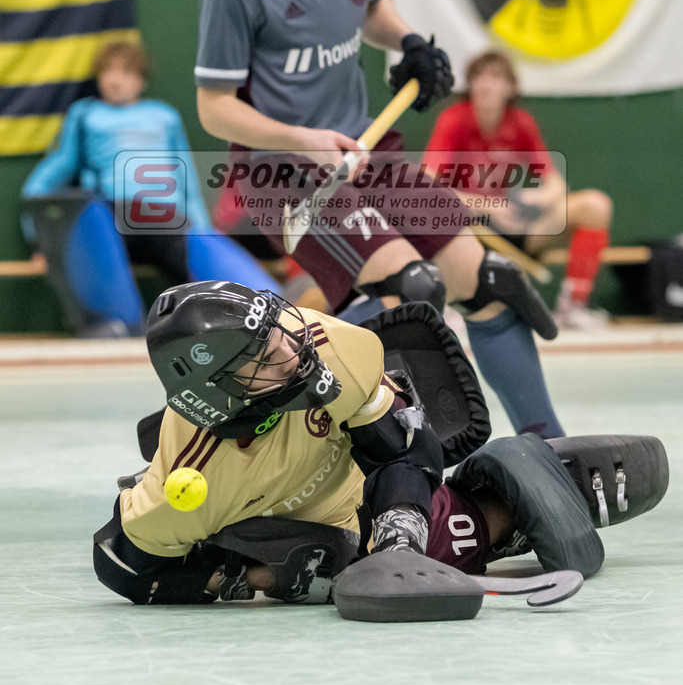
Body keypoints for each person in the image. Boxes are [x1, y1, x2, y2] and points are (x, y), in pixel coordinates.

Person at [193, 0, 565, 440]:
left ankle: (552, 448)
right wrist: (303, 140)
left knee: (488, 284)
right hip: (286, 178)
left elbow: (368, 6)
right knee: (409, 290)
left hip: (370, 157)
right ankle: (405, 461)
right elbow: (214, 108)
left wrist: (408, 40)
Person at [92, 281, 667, 608]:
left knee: (430, 528)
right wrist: (260, 578)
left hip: (355, 480)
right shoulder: (188, 491)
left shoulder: (326, 344)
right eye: (264, 356)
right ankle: (490, 515)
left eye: (277, 330)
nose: (292, 349)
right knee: (354, 558)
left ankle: (488, 508)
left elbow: (405, 449)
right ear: (219, 390)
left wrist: (400, 536)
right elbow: (121, 567)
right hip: (290, 520)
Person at [21, 40, 279, 336]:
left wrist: (201, 228)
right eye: (107, 71)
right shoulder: (85, 114)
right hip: (112, 217)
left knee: (205, 252)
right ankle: (117, 325)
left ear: (140, 80)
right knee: (92, 214)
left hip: (164, 219)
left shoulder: (164, 116)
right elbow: (45, 182)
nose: (115, 80)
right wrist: (41, 240)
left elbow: (186, 179)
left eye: (125, 72)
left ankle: (269, 308)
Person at [425, 50, 613, 330]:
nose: (485, 85)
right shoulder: (454, 120)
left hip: (511, 225)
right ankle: (455, 303)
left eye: (495, 77)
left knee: (594, 206)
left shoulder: (520, 122)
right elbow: (428, 186)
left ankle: (573, 307)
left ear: (511, 88)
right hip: (467, 230)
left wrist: (537, 198)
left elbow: (556, 185)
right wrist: (489, 207)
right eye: (478, 77)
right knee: (435, 214)